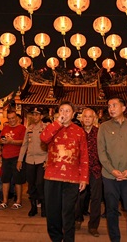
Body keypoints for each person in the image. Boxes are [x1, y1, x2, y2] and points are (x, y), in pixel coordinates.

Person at [40, 101, 89, 242]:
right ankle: (56, 238)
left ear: (73, 114)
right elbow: (43, 138)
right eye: (62, 110)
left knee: (68, 212)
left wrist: (84, 178)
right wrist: (57, 124)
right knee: (52, 212)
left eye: (68, 111)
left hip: (72, 179)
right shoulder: (52, 127)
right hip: (52, 177)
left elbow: (84, 156)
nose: (65, 113)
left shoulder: (79, 131)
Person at [97, 97, 127, 242]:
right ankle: (115, 239)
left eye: (114, 105)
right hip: (110, 177)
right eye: (109, 106)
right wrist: (112, 170)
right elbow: (101, 153)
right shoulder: (104, 127)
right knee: (111, 211)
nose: (111, 108)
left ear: (123, 108)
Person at [75, 108, 102, 237]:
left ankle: (93, 226)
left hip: (96, 170)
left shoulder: (99, 133)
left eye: (90, 116)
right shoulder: (77, 133)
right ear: (81, 118)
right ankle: (77, 219)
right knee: (79, 197)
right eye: (85, 116)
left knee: (96, 198)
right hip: (79, 170)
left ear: (94, 119)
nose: (87, 119)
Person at [17, 107, 48, 217]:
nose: (35, 117)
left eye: (37, 114)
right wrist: (20, 160)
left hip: (42, 160)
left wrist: (48, 160)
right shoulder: (28, 128)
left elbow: (50, 145)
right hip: (30, 160)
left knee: (40, 183)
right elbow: (24, 144)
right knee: (31, 185)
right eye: (33, 114)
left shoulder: (45, 128)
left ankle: (44, 206)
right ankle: (33, 207)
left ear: (41, 116)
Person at [0, 111, 27, 210]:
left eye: (13, 118)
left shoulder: (22, 128)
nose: (11, 120)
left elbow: (24, 142)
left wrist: (12, 141)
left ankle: (18, 201)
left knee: (18, 180)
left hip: (17, 157)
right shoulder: (5, 128)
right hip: (6, 157)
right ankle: (5, 201)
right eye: (9, 118)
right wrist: (2, 141)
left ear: (17, 118)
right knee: (5, 179)